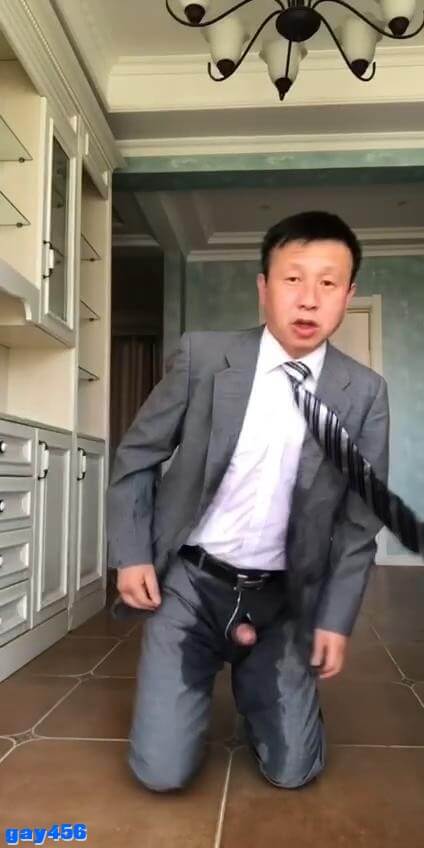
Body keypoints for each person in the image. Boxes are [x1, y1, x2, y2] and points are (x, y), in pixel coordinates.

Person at [107, 210, 389, 792]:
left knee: (294, 771)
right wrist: (131, 554)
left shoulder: (364, 393)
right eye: (293, 279)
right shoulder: (204, 357)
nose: (308, 299)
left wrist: (334, 618)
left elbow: (359, 524)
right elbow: (138, 453)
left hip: (284, 598)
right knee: (160, 774)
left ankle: (265, 690)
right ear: (264, 287)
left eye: (328, 282)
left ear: (348, 295)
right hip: (190, 585)